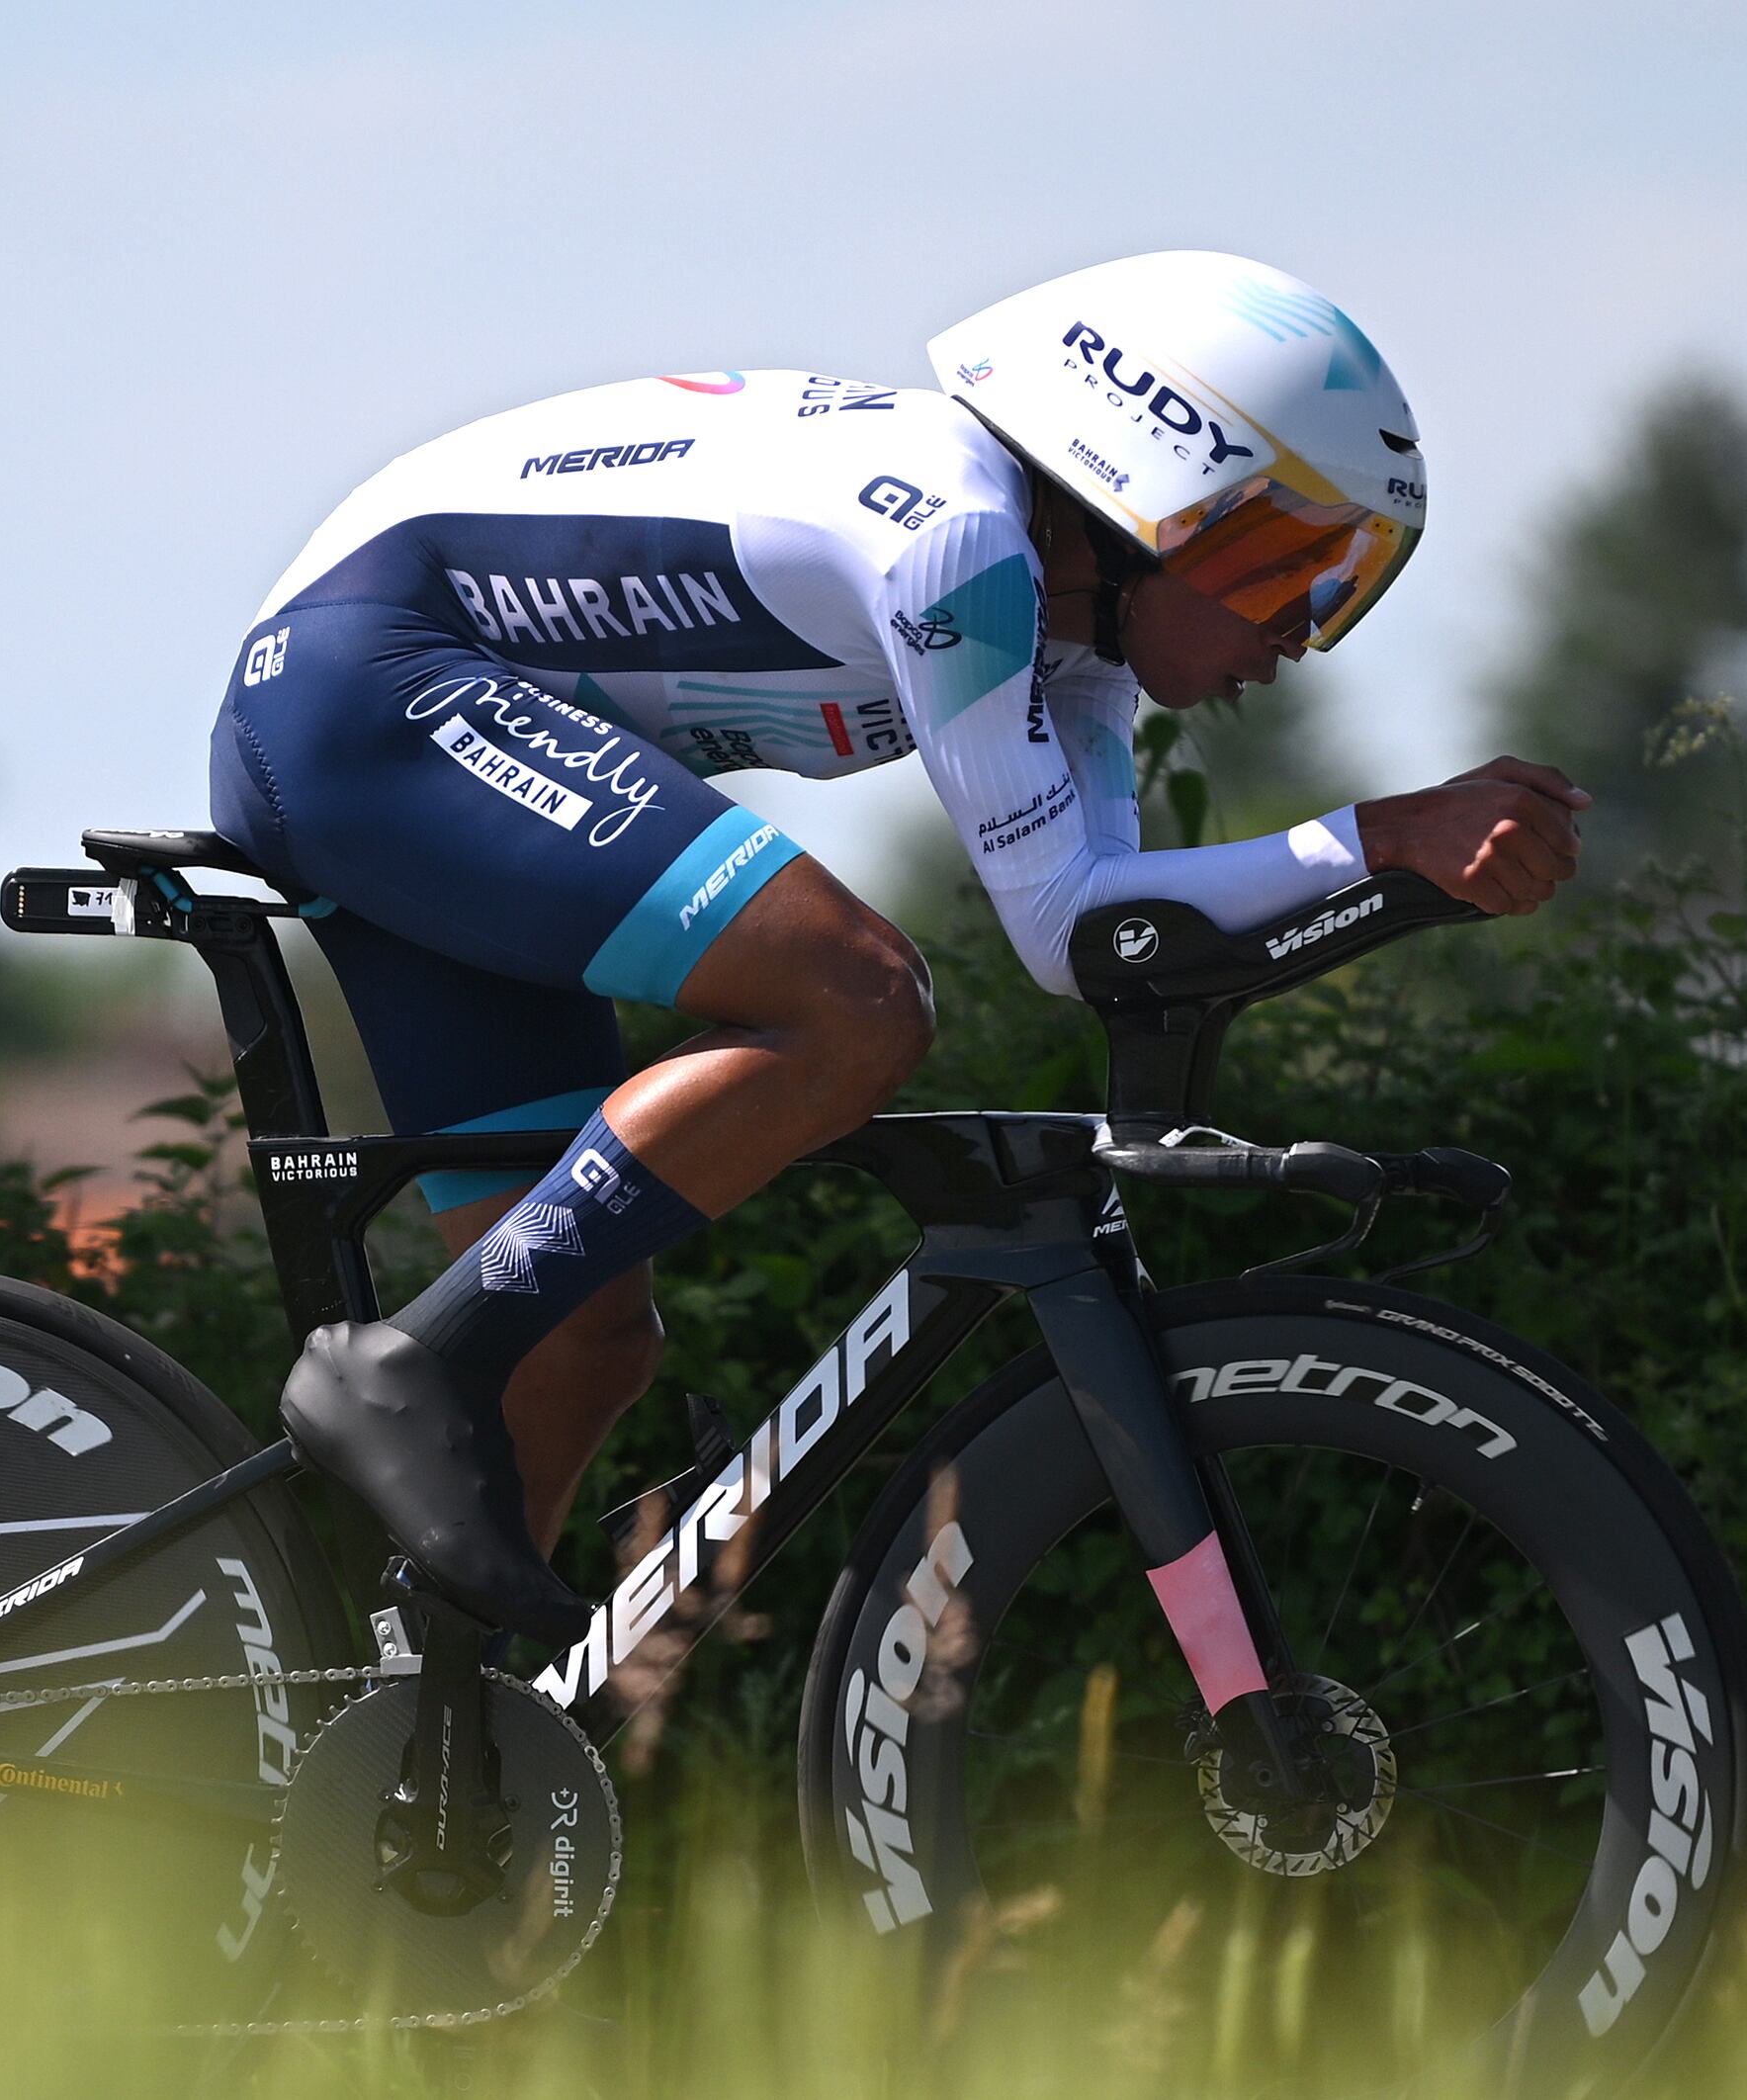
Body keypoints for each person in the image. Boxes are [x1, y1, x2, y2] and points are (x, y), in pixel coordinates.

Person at [210, 252, 1588, 1645]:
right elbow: (1060, 926)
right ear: (1147, 497)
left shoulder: (1075, 644)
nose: (1300, 637)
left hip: (415, 741)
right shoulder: (959, 533)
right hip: (363, 692)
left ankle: (420, 1763)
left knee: (586, 1345)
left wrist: (1391, 874)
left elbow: (1099, 928)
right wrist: (1378, 837)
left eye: (1340, 590)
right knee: (857, 998)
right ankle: (412, 1368)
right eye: (1282, 565)